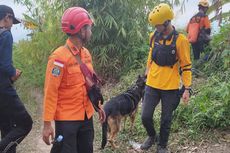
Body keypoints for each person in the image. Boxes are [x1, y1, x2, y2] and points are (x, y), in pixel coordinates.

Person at [42, 7, 105, 153]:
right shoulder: (58, 58)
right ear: (82, 30)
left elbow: (89, 85)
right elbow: (50, 92)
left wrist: (98, 105)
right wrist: (47, 124)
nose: (91, 31)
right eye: (89, 27)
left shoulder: (86, 54)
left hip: (86, 117)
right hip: (67, 121)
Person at [140, 3, 192, 153]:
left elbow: (186, 66)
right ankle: (151, 136)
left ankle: (162, 145)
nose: (155, 28)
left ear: (167, 22)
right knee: (145, 116)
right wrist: (147, 71)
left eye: (158, 25)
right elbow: (151, 55)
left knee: (166, 119)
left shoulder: (180, 41)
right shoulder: (153, 37)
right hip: (152, 83)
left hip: (170, 86)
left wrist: (187, 88)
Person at [0, 5, 33, 153]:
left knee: (7, 127)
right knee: (26, 123)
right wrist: (14, 72)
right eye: (12, 21)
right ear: (7, 17)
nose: (12, 26)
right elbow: (5, 65)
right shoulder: (5, 34)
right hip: (4, 90)